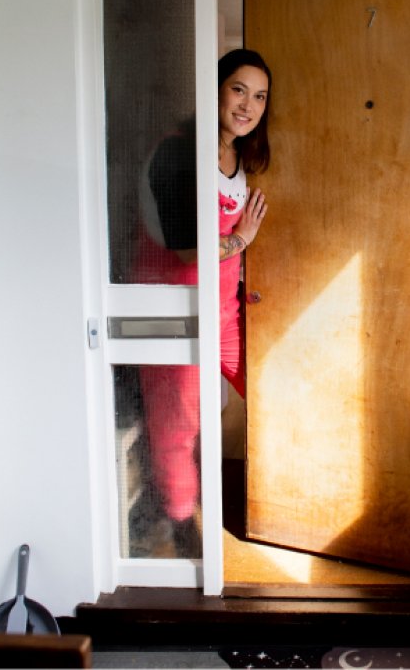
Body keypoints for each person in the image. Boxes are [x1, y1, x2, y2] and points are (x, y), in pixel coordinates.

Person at [133, 49, 271, 557]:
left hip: (224, 312)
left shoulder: (238, 158)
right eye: (238, 89)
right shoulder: (176, 153)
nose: (248, 105)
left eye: (259, 96)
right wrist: (241, 239)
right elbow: (180, 244)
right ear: (214, 89)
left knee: (270, 390)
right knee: (178, 423)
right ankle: (180, 527)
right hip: (177, 311)